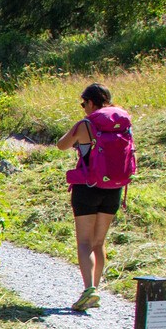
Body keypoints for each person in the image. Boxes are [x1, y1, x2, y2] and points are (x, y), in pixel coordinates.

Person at [56, 84, 136, 312]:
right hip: (113, 188)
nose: (84, 108)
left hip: (87, 188)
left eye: (84, 103)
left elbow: (61, 145)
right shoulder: (123, 123)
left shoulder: (86, 125)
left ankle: (89, 290)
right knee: (99, 242)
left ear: (91, 102)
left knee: (84, 242)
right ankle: (96, 290)